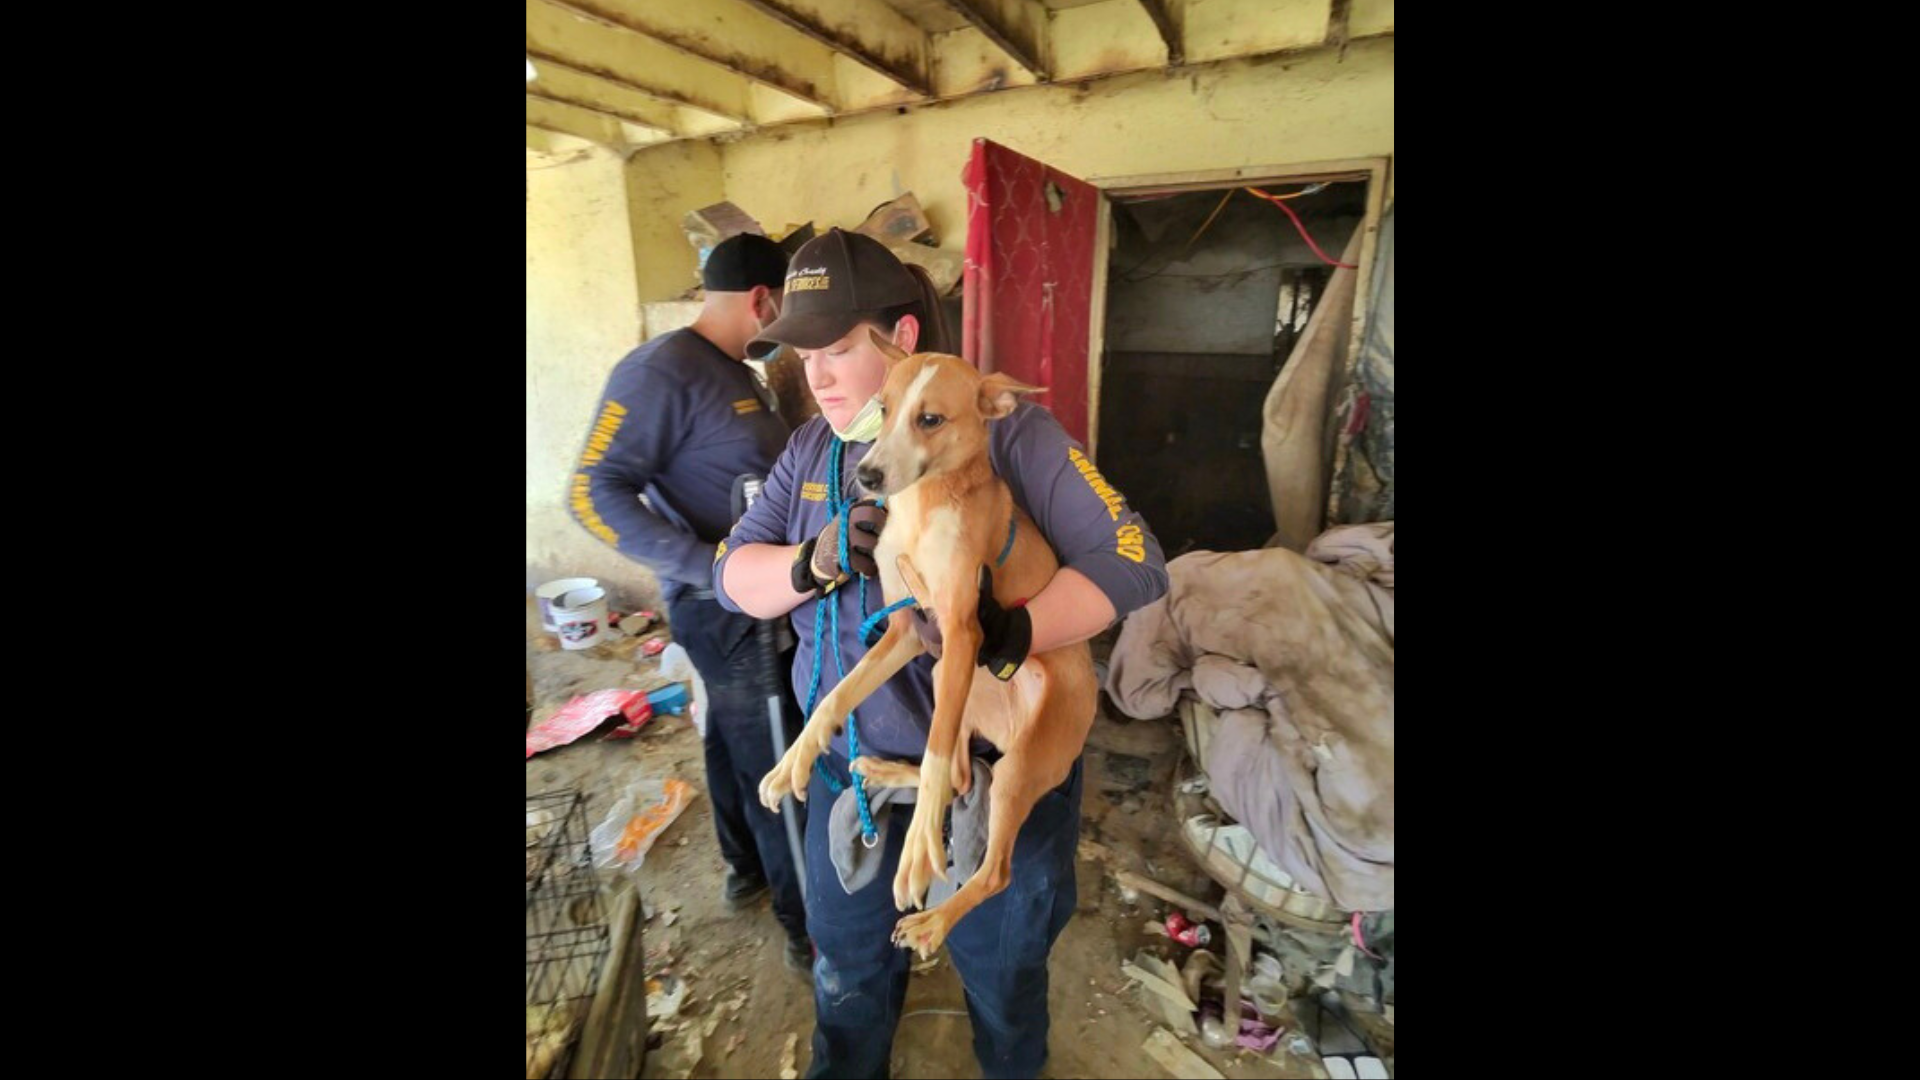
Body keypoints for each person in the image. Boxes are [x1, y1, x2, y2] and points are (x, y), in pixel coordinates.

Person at [713, 227, 1168, 1077]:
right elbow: (732, 576)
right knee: (848, 982)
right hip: (859, 771)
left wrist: (1018, 630)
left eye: (837, 347)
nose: (811, 373)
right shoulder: (813, 450)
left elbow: (1137, 562)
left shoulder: (1008, 434)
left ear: (898, 349)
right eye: (799, 351)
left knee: (1001, 985)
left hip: (996, 769)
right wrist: (810, 562)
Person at [569, 232, 813, 972]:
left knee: (731, 742)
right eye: (787, 317)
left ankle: (746, 871)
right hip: (726, 608)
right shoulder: (660, 371)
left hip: (747, 600)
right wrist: (707, 566)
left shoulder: (734, 371)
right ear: (764, 301)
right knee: (777, 758)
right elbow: (590, 491)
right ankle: (810, 931)